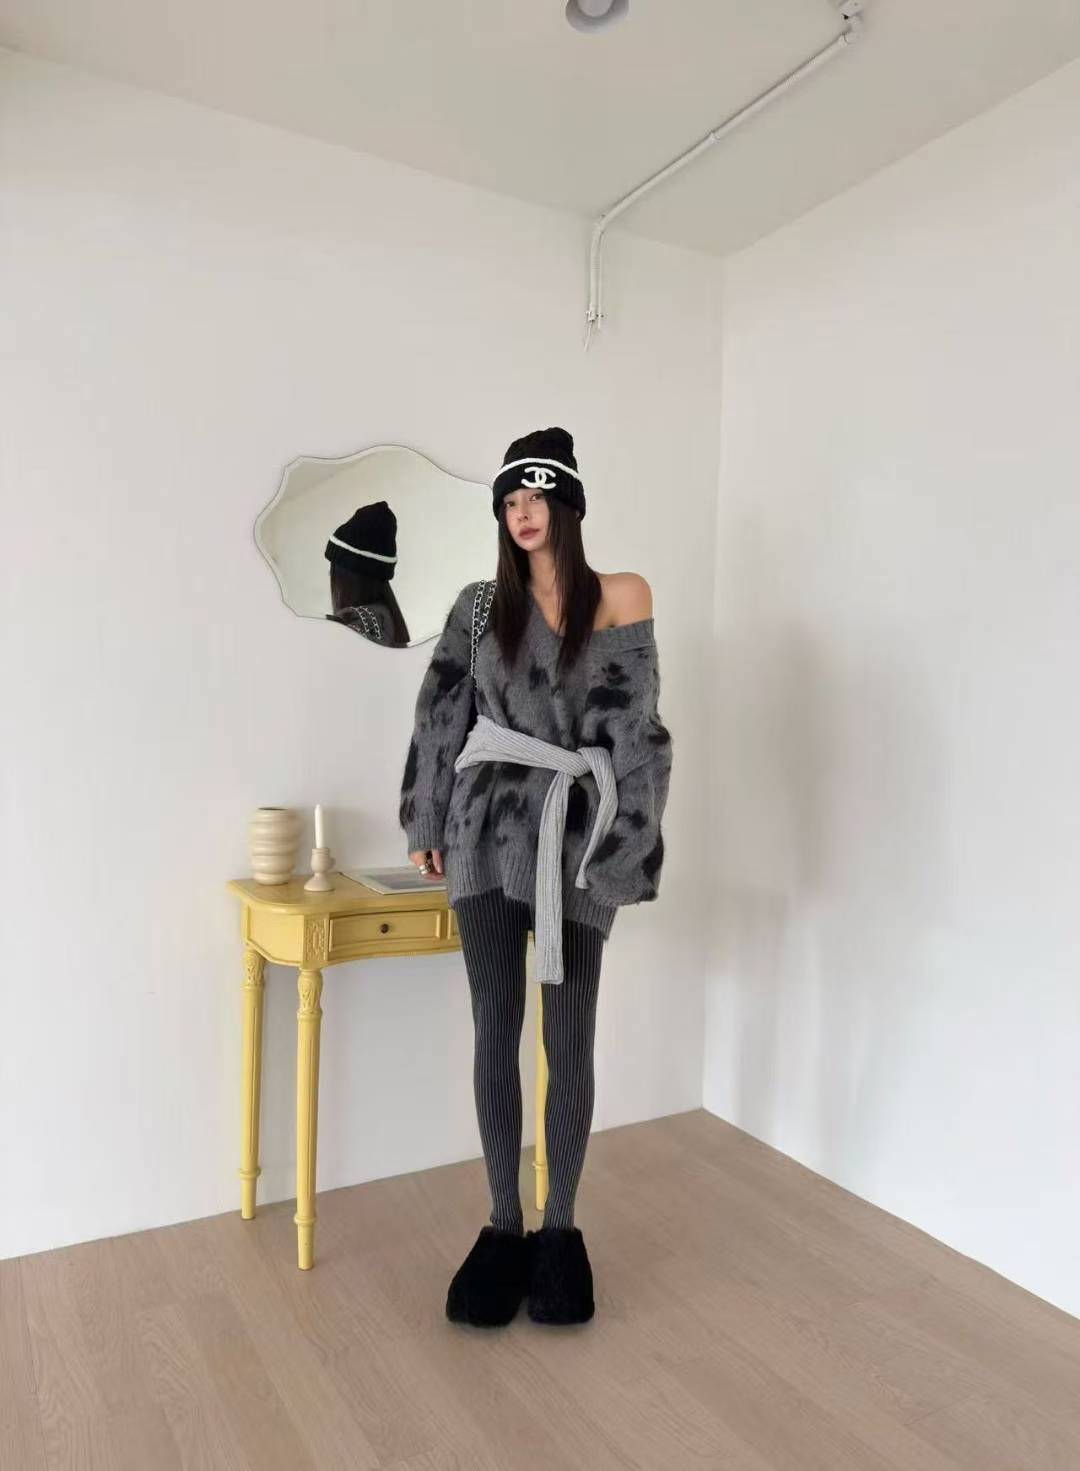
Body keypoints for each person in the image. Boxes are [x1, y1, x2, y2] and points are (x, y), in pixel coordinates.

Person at [398, 426, 673, 1328]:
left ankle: (560, 1232)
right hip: (484, 832)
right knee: (495, 1024)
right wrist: (425, 818)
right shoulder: (479, 608)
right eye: (510, 501)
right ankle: (502, 1226)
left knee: (570, 1033)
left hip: (577, 839)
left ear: (567, 505)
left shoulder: (622, 596)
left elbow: (637, 733)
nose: (522, 513)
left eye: (536, 497)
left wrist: (630, 845)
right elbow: (440, 713)